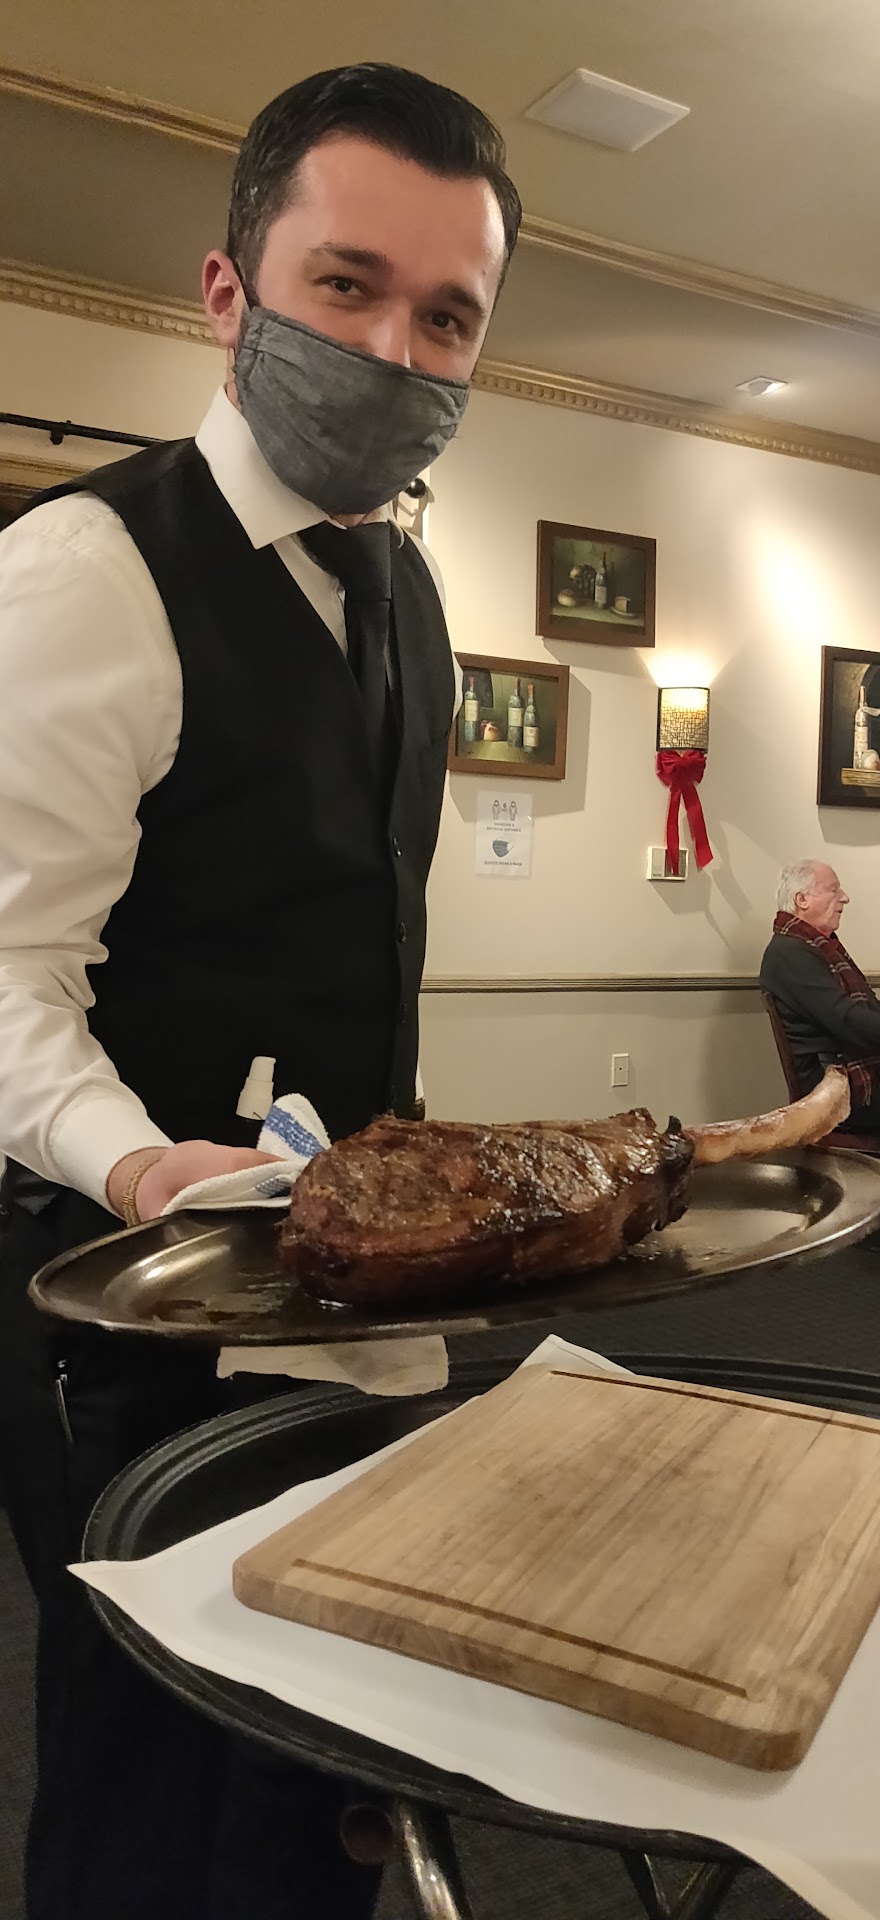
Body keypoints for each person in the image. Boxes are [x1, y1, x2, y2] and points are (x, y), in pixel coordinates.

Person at [0, 63, 521, 1920]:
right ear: (230, 292)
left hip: (355, 1298)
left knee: (324, 1761)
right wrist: (143, 1163)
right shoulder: (86, 569)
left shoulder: (412, 595)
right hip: (130, 1315)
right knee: (152, 1795)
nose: (395, 349)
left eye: (447, 315)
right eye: (346, 286)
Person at [760, 859, 880, 1127]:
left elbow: (867, 1011)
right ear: (801, 899)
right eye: (833, 889)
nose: (844, 898)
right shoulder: (789, 954)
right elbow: (846, 1020)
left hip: (848, 1080)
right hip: (836, 1092)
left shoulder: (813, 947)